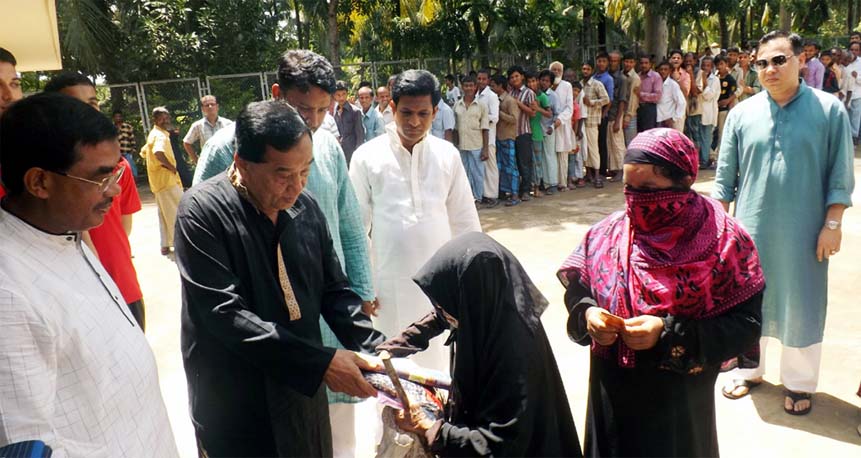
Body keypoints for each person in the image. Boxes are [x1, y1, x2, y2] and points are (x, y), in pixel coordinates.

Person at [191, 49, 379, 455]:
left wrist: (380, 351)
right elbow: (223, 313)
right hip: (237, 388)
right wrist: (321, 363)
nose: (297, 187)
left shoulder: (304, 205)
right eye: (283, 174)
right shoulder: (201, 211)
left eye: (305, 172)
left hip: (300, 380)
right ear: (241, 162)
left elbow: (334, 290)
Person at [559, 128, 766, 457]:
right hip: (611, 397)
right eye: (629, 188)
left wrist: (669, 334)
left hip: (679, 408)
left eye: (648, 189)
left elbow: (747, 324)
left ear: (683, 184)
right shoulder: (607, 233)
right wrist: (588, 314)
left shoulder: (726, 242)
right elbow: (578, 290)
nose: (636, 199)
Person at [0, 92, 178, 457]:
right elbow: (28, 445)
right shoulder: (9, 294)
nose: (114, 191)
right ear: (40, 183)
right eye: (99, 179)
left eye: (115, 173)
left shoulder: (65, 229)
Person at [715, 31, 855, 416]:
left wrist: (833, 223)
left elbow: (839, 173)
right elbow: (725, 178)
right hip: (750, 230)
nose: (769, 69)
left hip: (805, 231)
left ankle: (798, 382)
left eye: (779, 60)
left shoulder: (829, 110)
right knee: (748, 302)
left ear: (801, 61)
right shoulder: (743, 114)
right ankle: (750, 370)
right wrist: (716, 231)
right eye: (761, 63)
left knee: (802, 303)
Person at [378, 233, 583, 457]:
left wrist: (430, 428)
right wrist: (395, 347)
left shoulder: (513, 355)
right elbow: (443, 316)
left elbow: (498, 446)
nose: (440, 309)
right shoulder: (490, 310)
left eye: (442, 304)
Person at [349, 69, 481, 371]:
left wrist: (472, 279)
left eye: (423, 113)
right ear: (392, 108)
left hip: (440, 285)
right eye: (406, 112)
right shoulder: (367, 157)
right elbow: (356, 228)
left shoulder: (447, 155)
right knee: (394, 366)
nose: (414, 122)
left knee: (440, 363)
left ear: (435, 112)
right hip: (388, 285)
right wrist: (362, 287)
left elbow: (465, 222)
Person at [44, 71, 147, 330]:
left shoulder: (119, 166)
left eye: (92, 104)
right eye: (75, 106)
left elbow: (125, 225)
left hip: (123, 287)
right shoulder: (43, 178)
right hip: (76, 300)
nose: (87, 113)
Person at [143, 106, 183, 256]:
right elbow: (157, 152)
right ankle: (179, 244)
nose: (166, 120)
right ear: (156, 120)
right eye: (162, 118)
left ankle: (165, 244)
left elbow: (143, 152)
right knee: (175, 211)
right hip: (166, 181)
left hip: (158, 182)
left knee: (163, 213)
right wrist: (171, 166)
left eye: (167, 117)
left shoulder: (155, 133)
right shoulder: (159, 136)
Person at [453, 74, 489, 204]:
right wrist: (455, 146)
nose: (468, 88)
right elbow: (455, 128)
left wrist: (485, 149)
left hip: (476, 145)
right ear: (462, 87)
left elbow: (485, 128)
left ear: (475, 87)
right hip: (462, 145)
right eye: (466, 86)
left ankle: (478, 198)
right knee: (464, 173)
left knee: (478, 173)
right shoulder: (457, 105)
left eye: (471, 86)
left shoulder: (481, 105)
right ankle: (468, 199)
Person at [508, 65, 538, 201]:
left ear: (522, 77)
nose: (514, 79)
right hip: (511, 133)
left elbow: (533, 113)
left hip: (524, 132)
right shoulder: (510, 93)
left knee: (525, 162)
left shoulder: (529, 93)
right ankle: (517, 189)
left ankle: (526, 190)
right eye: (512, 77)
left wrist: (519, 104)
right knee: (515, 163)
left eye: (517, 76)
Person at [493, 74, 521, 206]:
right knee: (501, 166)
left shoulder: (509, 101)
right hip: (499, 137)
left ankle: (515, 194)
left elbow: (514, 119)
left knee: (511, 166)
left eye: (493, 85)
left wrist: (499, 113)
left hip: (508, 137)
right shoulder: (496, 100)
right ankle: (505, 191)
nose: (491, 88)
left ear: (500, 86)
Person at [581, 61, 611, 188]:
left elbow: (606, 100)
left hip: (592, 122)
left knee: (593, 149)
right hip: (582, 121)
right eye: (583, 69)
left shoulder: (596, 84)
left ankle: (597, 175)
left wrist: (591, 102)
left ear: (592, 70)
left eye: (587, 69)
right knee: (585, 148)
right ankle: (588, 173)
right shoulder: (581, 84)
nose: (585, 71)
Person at [549, 61, 576, 192]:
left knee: (563, 154)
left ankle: (562, 183)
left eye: (559, 70)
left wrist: (560, 119)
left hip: (563, 124)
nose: (556, 72)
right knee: (550, 154)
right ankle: (551, 182)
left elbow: (569, 108)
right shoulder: (546, 86)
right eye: (553, 70)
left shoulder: (567, 86)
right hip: (549, 124)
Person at [182, 95, 232, 165]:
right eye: (207, 105)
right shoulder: (197, 126)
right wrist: (197, 161)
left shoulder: (228, 124)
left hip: (227, 163)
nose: (210, 107)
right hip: (209, 165)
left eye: (212, 104)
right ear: (202, 109)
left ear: (217, 107)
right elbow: (186, 143)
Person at [477, 69, 501, 207]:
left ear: (488, 80)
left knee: (491, 165)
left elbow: (495, 117)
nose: (480, 81)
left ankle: (493, 195)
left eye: (483, 79)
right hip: (477, 137)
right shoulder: (475, 95)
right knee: (483, 166)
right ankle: (485, 194)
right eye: (479, 79)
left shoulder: (491, 96)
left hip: (489, 137)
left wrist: (480, 119)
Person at [527, 72, 552, 197]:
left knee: (537, 162)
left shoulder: (542, 97)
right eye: (529, 81)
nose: (532, 84)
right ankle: (530, 186)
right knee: (527, 162)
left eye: (533, 81)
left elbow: (549, 114)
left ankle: (537, 186)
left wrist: (538, 109)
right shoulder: (525, 95)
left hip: (536, 132)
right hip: (525, 132)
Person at [694, 56, 720, 168]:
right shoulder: (697, 77)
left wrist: (704, 82)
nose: (705, 68)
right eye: (703, 65)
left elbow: (709, 96)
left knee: (705, 137)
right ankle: (697, 160)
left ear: (712, 67)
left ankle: (704, 161)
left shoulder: (715, 80)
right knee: (697, 137)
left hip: (708, 112)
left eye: (708, 66)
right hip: (697, 111)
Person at [607, 52, 630, 180]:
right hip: (609, 114)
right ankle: (615, 170)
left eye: (615, 61)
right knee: (611, 144)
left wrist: (618, 120)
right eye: (611, 60)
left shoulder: (622, 79)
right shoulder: (606, 76)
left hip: (617, 114)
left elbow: (622, 100)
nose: (612, 63)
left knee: (618, 144)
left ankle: (622, 170)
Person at [539, 69, 561, 193]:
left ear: (551, 83)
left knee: (549, 156)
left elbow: (557, 114)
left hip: (548, 130)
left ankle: (552, 183)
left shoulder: (552, 96)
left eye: (547, 81)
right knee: (541, 156)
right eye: (542, 80)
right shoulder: (536, 93)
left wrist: (552, 127)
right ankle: (543, 181)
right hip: (538, 129)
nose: (544, 83)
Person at [333, 81, 365, 165]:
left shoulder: (355, 111)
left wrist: (359, 153)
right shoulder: (334, 113)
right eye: (338, 95)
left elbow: (360, 135)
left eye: (343, 94)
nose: (341, 98)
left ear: (347, 94)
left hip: (352, 152)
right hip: (339, 152)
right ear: (334, 96)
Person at [714, 56, 737, 157]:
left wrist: (727, 102)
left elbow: (732, 94)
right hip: (713, 108)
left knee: (721, 132)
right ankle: (712, 154)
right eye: (717, 65)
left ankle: (720, 155)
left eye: (722, 64)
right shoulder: (714, 78)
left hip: (723, 109)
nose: (719, 67)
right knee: (712, 132)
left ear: (726, 65)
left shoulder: (730, 79)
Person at [656, 61, 687, 131]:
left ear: (670, 71)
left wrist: (674, 118)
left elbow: (682, 102)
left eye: (665, 69)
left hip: (667, 119)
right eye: (661, 69)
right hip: (657, 118)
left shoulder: (673, 85)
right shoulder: (656, 83)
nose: (663, 71)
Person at [637, 54, 663, 132]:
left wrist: (640, 94)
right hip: (638, 109)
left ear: (650, 64)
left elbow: (657, 96)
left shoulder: (656, 76)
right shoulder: (638, 76)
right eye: (642, 63)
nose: (643, 65)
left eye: (646, 63)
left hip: (649, 109)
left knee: (649, 132)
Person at [622, 53, 642, 146]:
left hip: (630, 115)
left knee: (630, 143)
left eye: (631, 62)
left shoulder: (635, 78)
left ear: (634, 64)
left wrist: (628, 116)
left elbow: (633, 99)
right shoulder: (621, 75)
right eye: (626, 61)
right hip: (620, 113)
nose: (628, 64)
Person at [113, 110, 139, 176]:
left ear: (122, 117)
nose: (118, 118)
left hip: (127, 151)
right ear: (114, 118)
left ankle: (135, 181)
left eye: (119, 116)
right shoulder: (111, 128)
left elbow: (132, 138)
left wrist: (133, 149)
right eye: (116, 117)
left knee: (131, 167)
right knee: (120, 170)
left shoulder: (127, 127)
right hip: (117, 153)